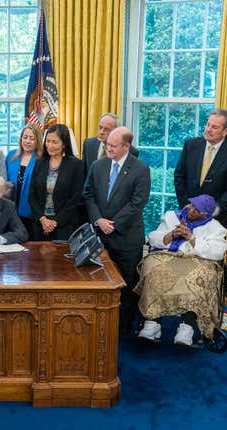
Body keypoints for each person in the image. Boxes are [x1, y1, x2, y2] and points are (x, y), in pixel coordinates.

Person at [83, 126, 150, 334]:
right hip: (100, 235)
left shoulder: (141, 169)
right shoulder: (98, 165)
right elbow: (88, 194)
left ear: (126, 146)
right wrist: (98, 220)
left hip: (126, 238)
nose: (107, 148)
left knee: (126, 283)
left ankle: (123, 327)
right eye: (107, 144)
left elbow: (137, 203)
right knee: (98, 280)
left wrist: (112, 223)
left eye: (112, 145)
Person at [135, 195, 227, 346]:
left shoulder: (215, 227)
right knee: (155, 271)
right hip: (165, 255)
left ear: (205, 215)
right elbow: (153, 238)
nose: (190, 210)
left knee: (194, 277)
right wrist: (172, 234)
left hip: (197, 260)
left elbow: (217, 251)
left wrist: (191, 237)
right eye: (190, 205)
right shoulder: (172, 217)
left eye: (196, 210)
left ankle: (187, 327)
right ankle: (152, 323)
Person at [174, 108, 227, 227]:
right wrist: (186, 205)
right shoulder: (191, 145)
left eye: (214, 127)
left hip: (215, 219)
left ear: (225, 131)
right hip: (187, 213)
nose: (208, 129)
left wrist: (215, 209)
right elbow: (179, 177)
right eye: (208, 125)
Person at [28, 123, 85, 241]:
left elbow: (75, 198)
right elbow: (32, 195)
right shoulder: (39, 162)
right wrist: (43, 219)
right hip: (40, 224)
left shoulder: (76, 165)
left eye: (55, 142)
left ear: (64, 144)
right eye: (48, 141)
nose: (50, 145)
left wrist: (55, 222)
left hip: (64, 226)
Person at [5, 123, 42, 235]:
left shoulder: (41, 159)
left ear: (38, 141)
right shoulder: (11, 156)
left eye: (32, 138)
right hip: (11, 208)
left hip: (31, 211)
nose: (27, 141)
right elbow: (5, 181)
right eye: (25, 137)